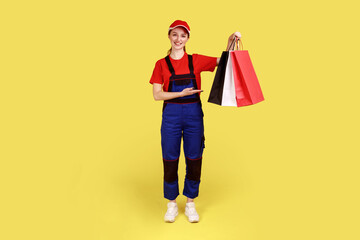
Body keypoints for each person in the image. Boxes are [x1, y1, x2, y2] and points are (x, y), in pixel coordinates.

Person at [149, 20, 241, 223]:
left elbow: (224, 62)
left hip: (193, 116)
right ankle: (171, 204)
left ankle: (190, 203)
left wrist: (229, 44)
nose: (178, 39)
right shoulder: (160, 64)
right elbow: (157, 95)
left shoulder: (197, 60)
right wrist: (179, 93)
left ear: (188, 38)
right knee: (170, 158)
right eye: (175, 35)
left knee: (194, 157)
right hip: (171, 117)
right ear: (169, 36)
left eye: (183, 35)